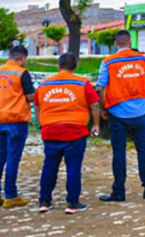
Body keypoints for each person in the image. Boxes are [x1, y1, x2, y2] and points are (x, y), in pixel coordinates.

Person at [35, 52, 100, 214]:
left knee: (49, 167)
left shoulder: (44, 85)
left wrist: (42, 123)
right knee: (73, 167)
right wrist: (96, 124)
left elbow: (37, 106)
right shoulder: (83, 83)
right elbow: (95, 104)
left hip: (50, 131)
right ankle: (72, 203)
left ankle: (44, 201)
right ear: (75, 66)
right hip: (75, 131)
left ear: (58, 66)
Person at [96, 30, 145, 202]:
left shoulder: (108, 62)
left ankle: (119, 191)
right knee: (143, 150)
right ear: (130, 42)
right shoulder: (141, 58)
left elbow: (100, 87)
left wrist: (102, 109)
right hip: (140, 112)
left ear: (116, 44)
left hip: (117, 112)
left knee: (119, 152)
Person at [0, 45, 34, 209]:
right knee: (13, 157)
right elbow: (31, 97)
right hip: (16, 120)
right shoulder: (22, 73)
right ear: (23, 58)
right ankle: (10, 195)